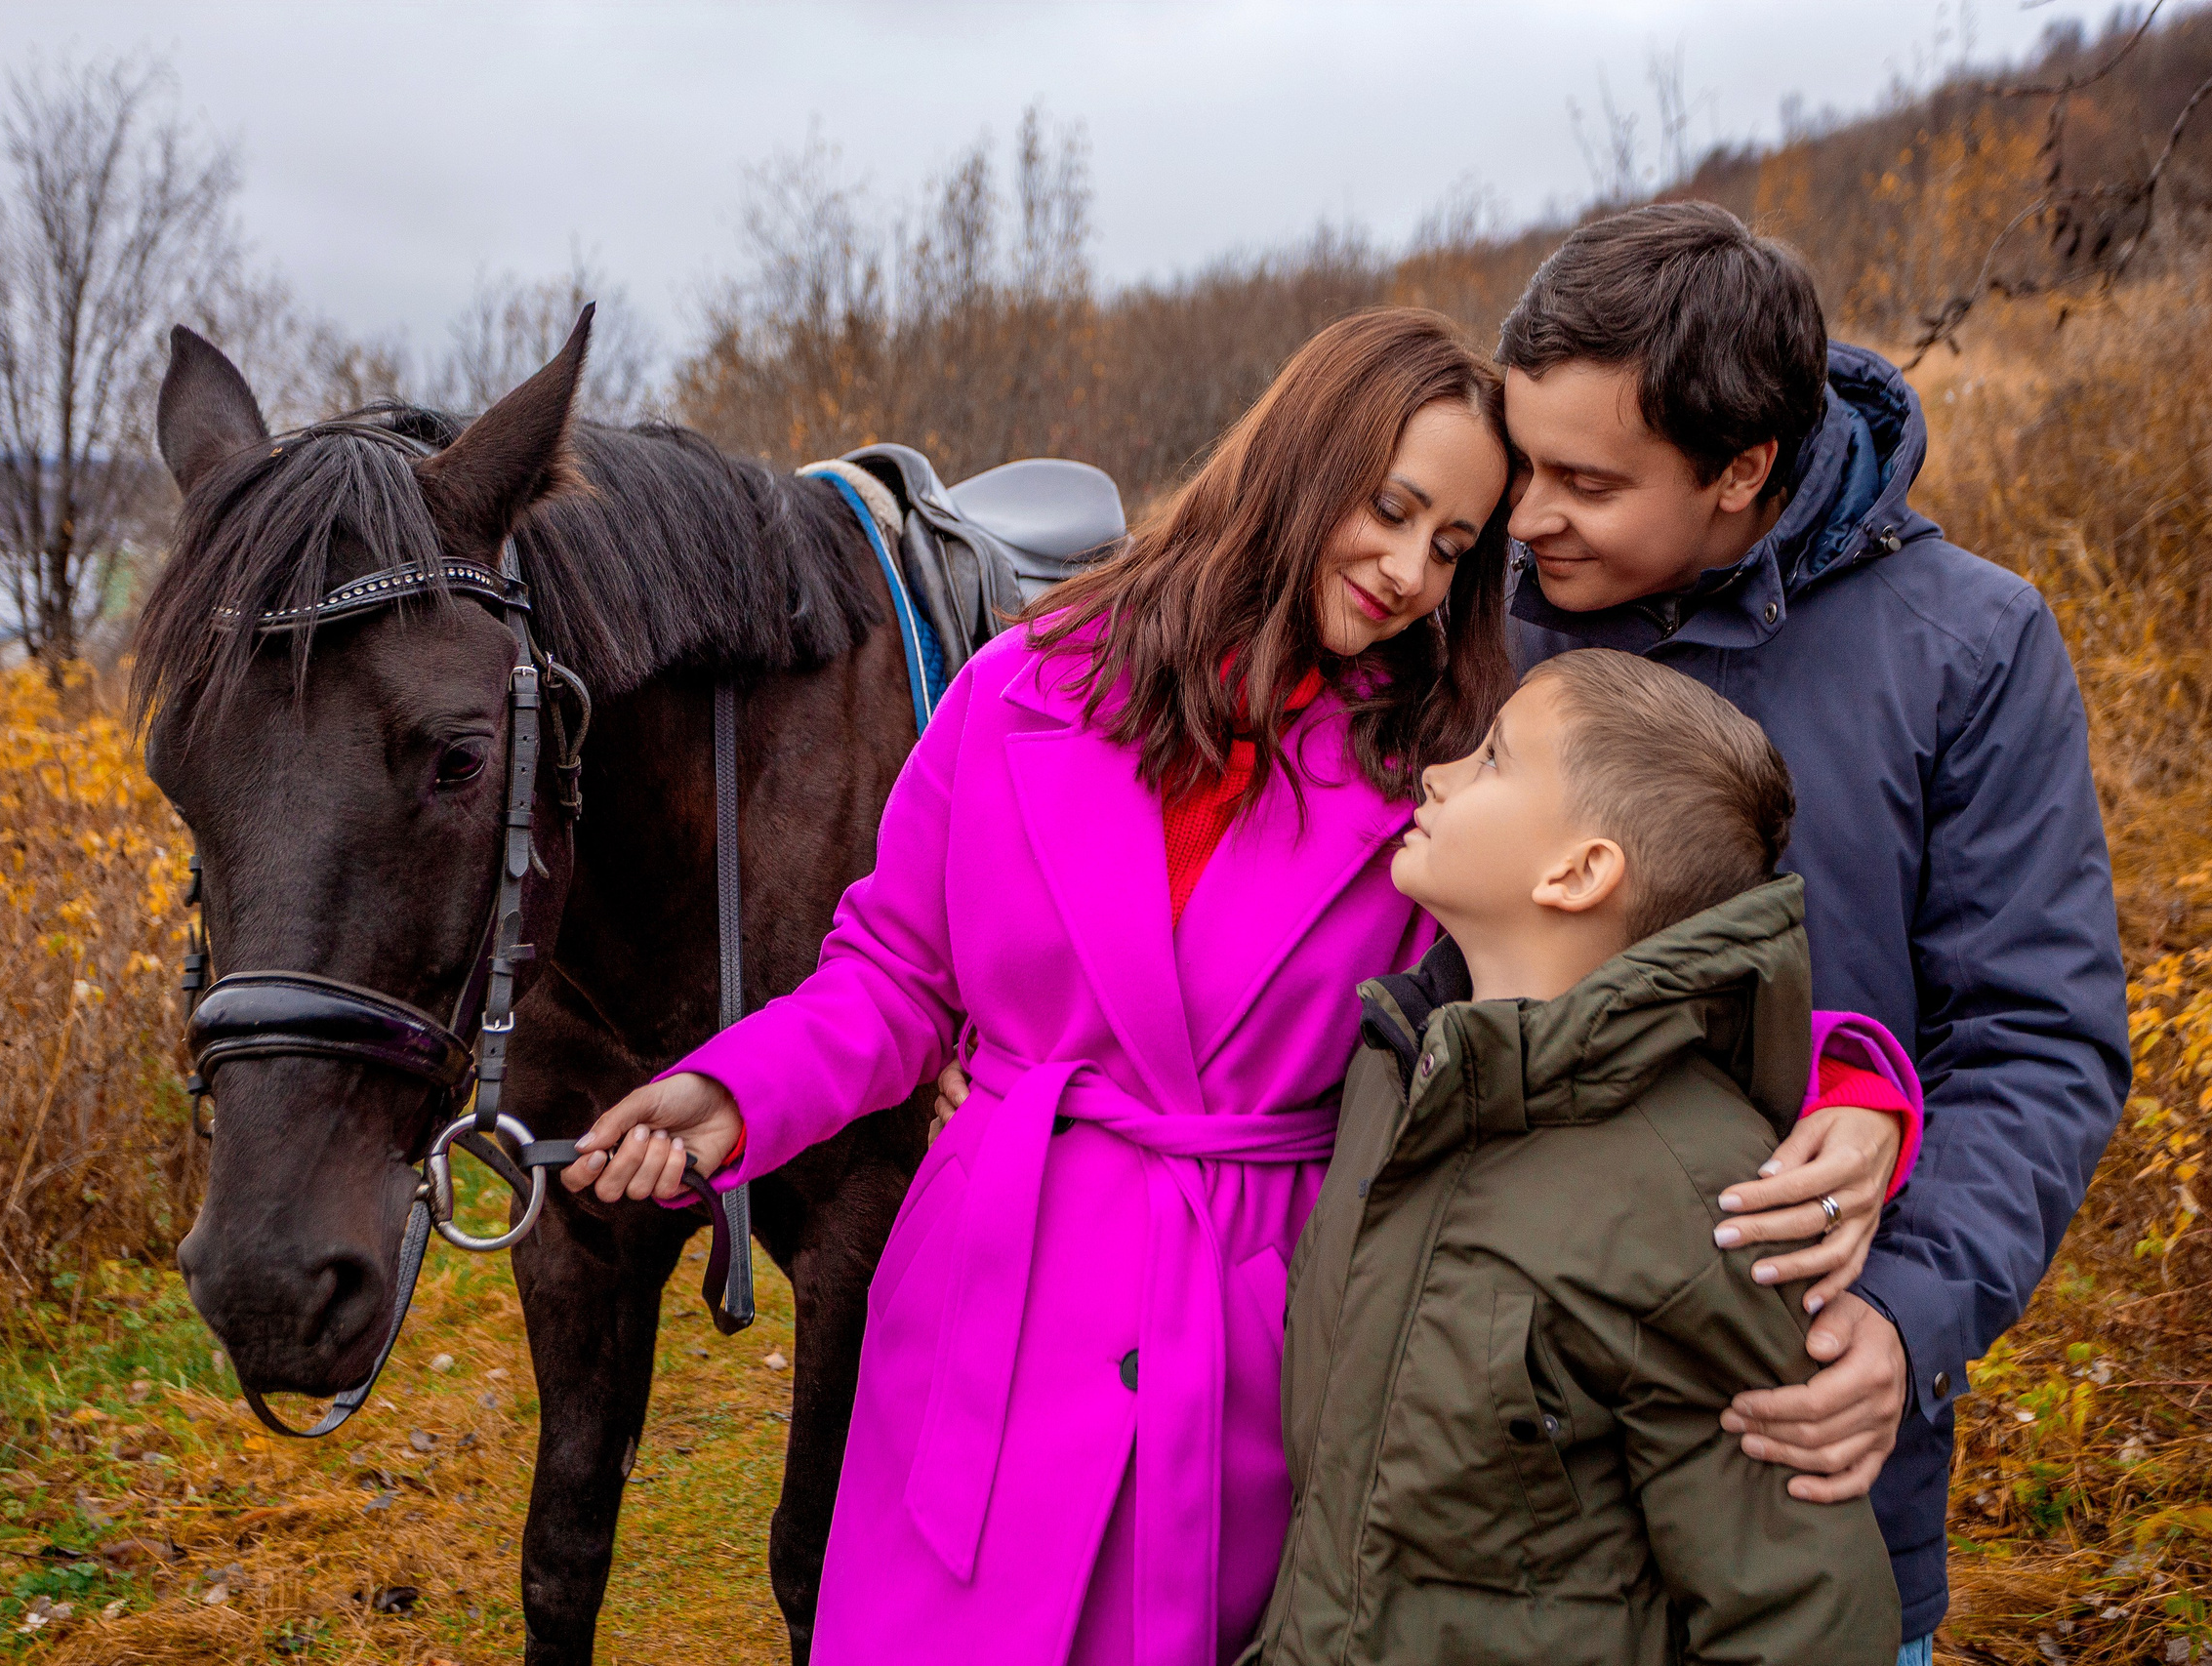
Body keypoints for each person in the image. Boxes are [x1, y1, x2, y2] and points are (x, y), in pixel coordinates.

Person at [563, 307, 1907, 1665]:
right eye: (1389, 509)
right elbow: (897, 970)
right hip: (985, 1296)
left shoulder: (1443, 767)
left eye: (1453, 545)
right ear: (1298, 464)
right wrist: (736, 1093)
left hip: (1248, 1325)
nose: (1408, 573)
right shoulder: (1020, 685)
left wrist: (1850, 1082)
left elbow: (1635, 959)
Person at [1495, 202, 2130, 1659]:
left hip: (1800, 1470)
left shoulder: (1970, 646)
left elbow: (2040, 1041)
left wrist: (1908, 1318)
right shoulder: (1491, 608)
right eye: (1522, 455)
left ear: (1742, 471)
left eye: (1585, 480)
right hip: (1500, 1485)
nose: (1529, 515)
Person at [1249, 648, 1906, 1665]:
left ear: (1577, 872)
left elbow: (1798, 1610)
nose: (1437, 772)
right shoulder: (1394, 1077)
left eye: (1494, 759)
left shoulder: (1698, 1197)